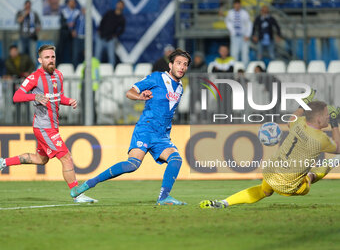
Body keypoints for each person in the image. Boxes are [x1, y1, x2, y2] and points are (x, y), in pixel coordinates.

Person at [70, 49, 191, 205]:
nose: (182, 67)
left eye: (185, 64)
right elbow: (130, 92)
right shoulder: (157, 77)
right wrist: (139, 97)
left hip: (162, 135)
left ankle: (163, 197)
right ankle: (88, 184)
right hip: (146, 129)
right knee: (132, 165)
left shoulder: (180, 87)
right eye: (179, 63)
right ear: (170, 65)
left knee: (176, 159)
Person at [200, 99, 340, 209]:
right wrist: (335, 124)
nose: (328, 116)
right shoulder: (320, 139)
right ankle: (335, 161)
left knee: (264, 191)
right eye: (327, 115)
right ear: (319, 119)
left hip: (271, 172)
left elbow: (291, 119)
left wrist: (302, 105)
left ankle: (223, 202)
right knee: (311, 176)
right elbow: (338, 147)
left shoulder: (299, 123)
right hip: (289, 186)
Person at [0, 45, 96, 203]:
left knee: (40, 159)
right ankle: (78, 194)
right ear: (40, 60)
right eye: (47, 57)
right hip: (44, 127)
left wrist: (68, 101)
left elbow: (58, 97)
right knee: (66, 157)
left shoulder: (59, 75)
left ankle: (3, 162)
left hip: (52, 126)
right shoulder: (34, 77)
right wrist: (35, 97)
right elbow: (16, 96)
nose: (50, 60)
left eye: (52, 57)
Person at [95, 0, 125, 67]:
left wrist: (115, 35)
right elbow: (102, 21)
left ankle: (111, 71)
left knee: (111, 56)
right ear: (116, 5)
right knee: (97, 55)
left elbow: (122, 29)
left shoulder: (122, 18)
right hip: (101, 36)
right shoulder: (109, 13)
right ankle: (96, 70)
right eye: (118, 4)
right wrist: (99, 30)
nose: (119, 6)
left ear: (123, 7)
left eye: (121, 5)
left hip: (110, 39)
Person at [225, 0, 252, 66]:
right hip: (234, 36)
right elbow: (227, 22)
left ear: (240, 5)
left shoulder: (244, 13)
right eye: (236, 4)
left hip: (243, 36)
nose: (237, 6)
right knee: (234, 53)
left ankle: (245, 69)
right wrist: (232, 31)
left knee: (245, 53)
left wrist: (247, 35)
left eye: (238, 4)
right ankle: (235, 69)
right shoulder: (230, 13)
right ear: (234, 5)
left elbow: (249, 24)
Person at [57, 0, 80, 64]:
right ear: (68, 3)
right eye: (71, 2)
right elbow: (61, 23)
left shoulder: (77, 13)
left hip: (73, 35)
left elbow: (78, 24)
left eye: (73, 2)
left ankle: (72, 66)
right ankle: (58, 65)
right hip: (64, 33)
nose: (72, 4)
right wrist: (68, 24)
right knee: (61, 50)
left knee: (72, 52)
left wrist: (74, 30)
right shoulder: (64, 12)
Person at [80, 57, 100, 124]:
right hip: (89, 87)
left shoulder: (91, 61)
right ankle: (92, 121)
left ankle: (91, 121)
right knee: (89, 105)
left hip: (90, 87)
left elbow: (96, 73)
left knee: (89, 105)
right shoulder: (87, 61)